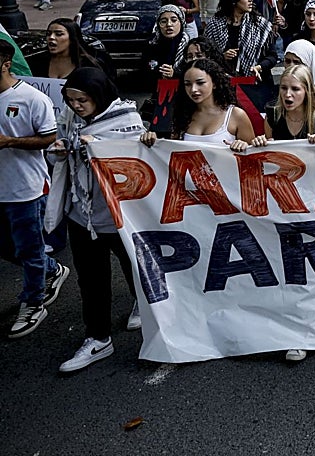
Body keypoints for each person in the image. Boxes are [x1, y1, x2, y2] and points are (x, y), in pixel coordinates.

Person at [45, 67, 145, 372]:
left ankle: (144, 305)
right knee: (90, 278)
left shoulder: (126, 120)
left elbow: (134, 163)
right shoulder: (70, 119)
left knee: (133, 265)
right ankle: (98, 337)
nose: (75, 106)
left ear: (99, 97)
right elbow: (55, 153)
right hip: (81, 212)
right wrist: (61, 150)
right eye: (71, 99)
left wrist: (99, 150)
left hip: (119, 214)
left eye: (82, 100)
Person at [0, 40, 69, 338]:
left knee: (28, 249)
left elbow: (49, 138)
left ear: (5, 61)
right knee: (9, 247)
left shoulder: (31, 98)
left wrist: (10, 142)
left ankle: (33, 302)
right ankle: (51, 268)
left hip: (25, 189)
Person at [141, 58, 256, 151]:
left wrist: (243, 146)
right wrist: (151, 141)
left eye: (200, 83)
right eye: (187, 84)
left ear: (214, 83)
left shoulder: (236, 115)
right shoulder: (182, 114)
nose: (193, 89)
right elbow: (171, 153)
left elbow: (254, 157)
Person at [202, 0, 277, 109]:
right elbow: (205, 56)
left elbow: (272, 56)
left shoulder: (259, 24)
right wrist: (222, 56)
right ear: (233, 0)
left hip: (255, 86)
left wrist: (258, 67)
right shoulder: (214, 25)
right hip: (224, 86)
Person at [32, 18, 104, 80]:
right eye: (48, 34)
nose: (51, 37)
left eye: (59, 34)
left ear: (72, 38)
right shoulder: (37, 62)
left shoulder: (89, 65)